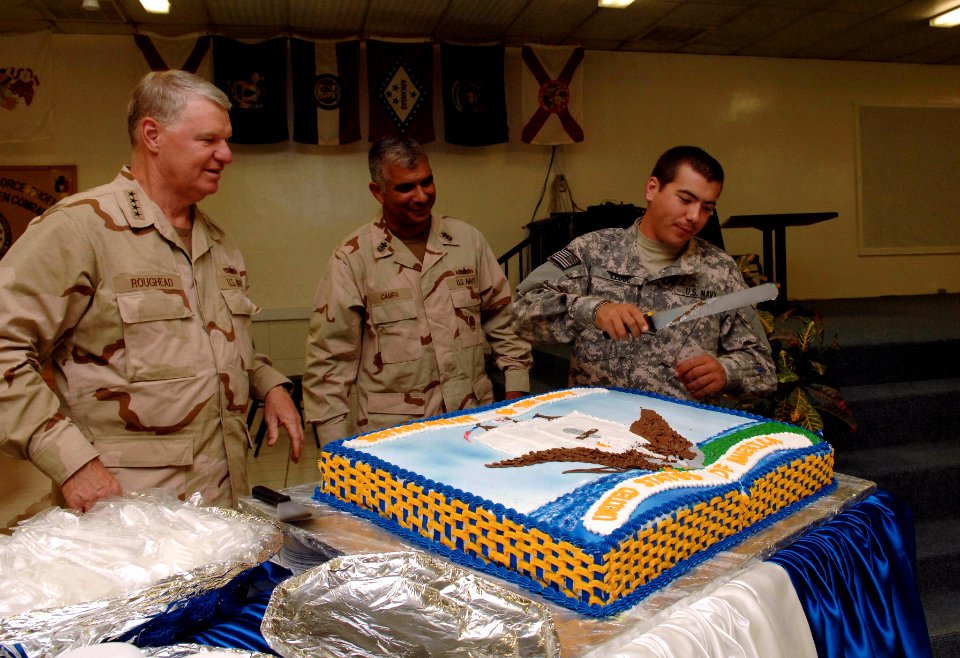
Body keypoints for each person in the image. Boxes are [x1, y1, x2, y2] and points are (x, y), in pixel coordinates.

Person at [0, 70, 303, 512]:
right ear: (152, 135)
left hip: (220, 509)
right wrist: (71, 462)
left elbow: (216, 346)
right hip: (128, 515)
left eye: (227, 140)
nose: (227, 154)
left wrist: (269, 384)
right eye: (209, 140)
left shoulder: (218, 244)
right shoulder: (80, 230)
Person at [303, 137, 532, 443]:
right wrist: (334, 449)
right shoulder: (353, 259)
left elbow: (505, 321)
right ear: (378, 192)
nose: (422, 196)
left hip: (473, 423)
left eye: (427, 182)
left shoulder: (467, 241)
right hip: (395, 437)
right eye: (406, 188)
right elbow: (330, 361)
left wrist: (515, 395)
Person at [513, 145, 776, 401]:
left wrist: (727, 371)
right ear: (652, 189)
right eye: (685, 200)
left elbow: (762, 367)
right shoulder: (593, 252)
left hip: (680, 434)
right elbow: (520, 312)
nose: (694, 216)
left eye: (707, 208)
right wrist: (592, 309)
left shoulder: (720, 270)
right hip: (597, 429)